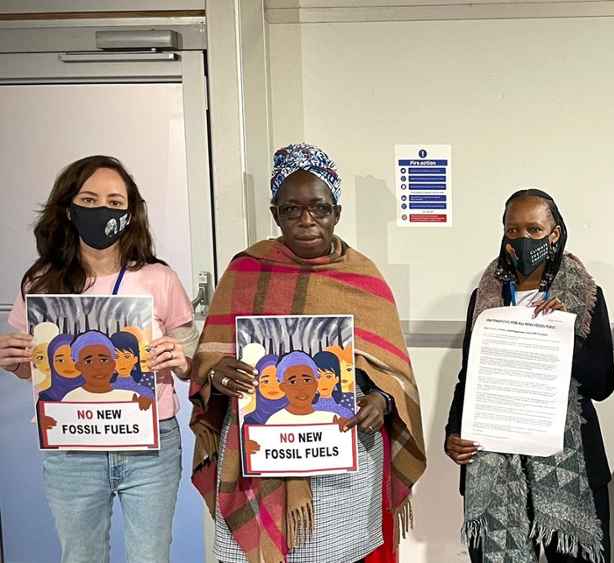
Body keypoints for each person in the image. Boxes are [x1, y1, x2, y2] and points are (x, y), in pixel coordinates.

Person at [189, 143, 426, 563]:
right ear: (275, 213)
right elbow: (211, 362)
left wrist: (382, 399)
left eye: (319, 208)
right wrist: (216, 377)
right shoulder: (246, 270)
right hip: (258, 453)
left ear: (336, 212)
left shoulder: (363, 277)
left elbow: (392, 371)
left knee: (336, 554)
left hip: (340, 449)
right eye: (291, 209)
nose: (306, 220)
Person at [0, 155, 195, 563]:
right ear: (67, 208)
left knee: (151, 556)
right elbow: (29, 368)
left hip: (150, 446)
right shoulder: (40, 280)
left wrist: (179, 357)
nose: (101, 211)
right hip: (73, 448)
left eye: (113, 202)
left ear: (130, 212)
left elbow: (189, 350)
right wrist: (13, 359)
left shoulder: (159, 277)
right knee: (81, 556)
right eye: (88, 201)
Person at [445, 188, 614, 563]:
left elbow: (603, 383)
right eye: (514, 230)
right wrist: (452, 433)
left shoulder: (585, 294)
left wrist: (563, 333)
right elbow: (468, 375)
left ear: (555, 233)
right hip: (494, 466)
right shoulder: (486, 295)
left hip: (569, 470)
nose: (523, 239)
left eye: (535, 230)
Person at [314, 349, 357, 419]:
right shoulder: (305, 411)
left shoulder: (345, 412)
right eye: (318, 376)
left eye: (328, 376)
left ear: (337, 379)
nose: (323, 382)